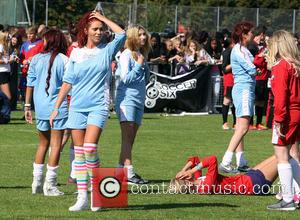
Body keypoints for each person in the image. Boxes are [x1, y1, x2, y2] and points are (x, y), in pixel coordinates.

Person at [50, 11, 125, 211]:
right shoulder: (76, 52)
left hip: (98, 106)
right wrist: (56, 107)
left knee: (90, 148)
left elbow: (122, 34)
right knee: (80, 154)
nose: (99, 32)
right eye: (95, 29)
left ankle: (98, 194)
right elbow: (68, 82)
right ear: (86, 31)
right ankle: (83, 198)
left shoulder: (108, 50)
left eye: (101, 29)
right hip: (76, 107)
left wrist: (104, 18)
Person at [25, 29, 68, 196]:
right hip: (57, 108)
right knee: (56, 144)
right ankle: (49, 185)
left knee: (42, 144)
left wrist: (27, 106)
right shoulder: (64, 60)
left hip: (40, 107)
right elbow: (68, 85)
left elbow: (30, 83)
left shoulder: (35, 59)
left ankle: (36, 182)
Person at [265, 30, 300, 211]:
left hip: (287, 115)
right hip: (296, 113)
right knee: (289, 156)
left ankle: (288, 199)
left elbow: (280, 97)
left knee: (282, 157)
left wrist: (278, 119)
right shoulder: (294, 65)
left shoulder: (281, 66)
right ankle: (295, 195)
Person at [219, 22, 256, 173]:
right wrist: (262, 62)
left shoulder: (245, 50)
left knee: (240, 126)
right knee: (243, 127)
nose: (253, 34)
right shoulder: (238, 50)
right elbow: (252, 69)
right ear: (244, 35)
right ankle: (226, 161)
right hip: (244, 90)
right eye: (251, 32)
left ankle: (241, 161)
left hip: (245, 89)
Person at [115, 25, 150, 184]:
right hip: (126, 100)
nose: (144, 37)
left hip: (138, 100)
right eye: (140, 35)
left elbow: (145, 79)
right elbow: (125, 79)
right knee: (127, 138)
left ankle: (119, 172)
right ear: (133, 37)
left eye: (145, 35)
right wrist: (138, 65)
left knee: (130, 139)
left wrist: (143, 65)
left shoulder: (140, 54)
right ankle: (129, 173)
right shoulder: (126, 55)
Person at [171, 154, 278, 196]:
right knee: (284, 156)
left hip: (247, 177)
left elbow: (195, 159)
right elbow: (212, 159)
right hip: (253, 185)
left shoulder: (198, 180)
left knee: (281, 152)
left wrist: (184, 170)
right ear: (188, 183)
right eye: (184, 177)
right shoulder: (205, 187)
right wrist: (191, 171)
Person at [221, 40, 236, 130]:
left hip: (236, 78)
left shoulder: (237, 52)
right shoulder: (227, 52)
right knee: (227, 100)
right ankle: (224, 123)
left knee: (235, 102)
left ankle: (235, 123)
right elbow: (224, 68)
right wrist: (234, 64)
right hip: (229, 79)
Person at [0, 32, 14, 102]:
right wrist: (8, 61)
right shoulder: (1, 46)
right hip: (2, 73)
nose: (10, 38)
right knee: (7, 96)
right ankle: (5, 112)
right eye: (8, 37)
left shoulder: (6, 47)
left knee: (6, 96)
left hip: (5, 72)